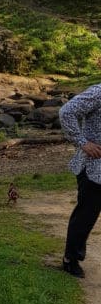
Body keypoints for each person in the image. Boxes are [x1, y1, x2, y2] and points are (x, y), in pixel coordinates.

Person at [59, 83, 101, 277]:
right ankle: (71, 259)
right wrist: (82, 142)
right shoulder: (98, 92)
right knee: (86, 215)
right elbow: (66, 111)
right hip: (94, 166)